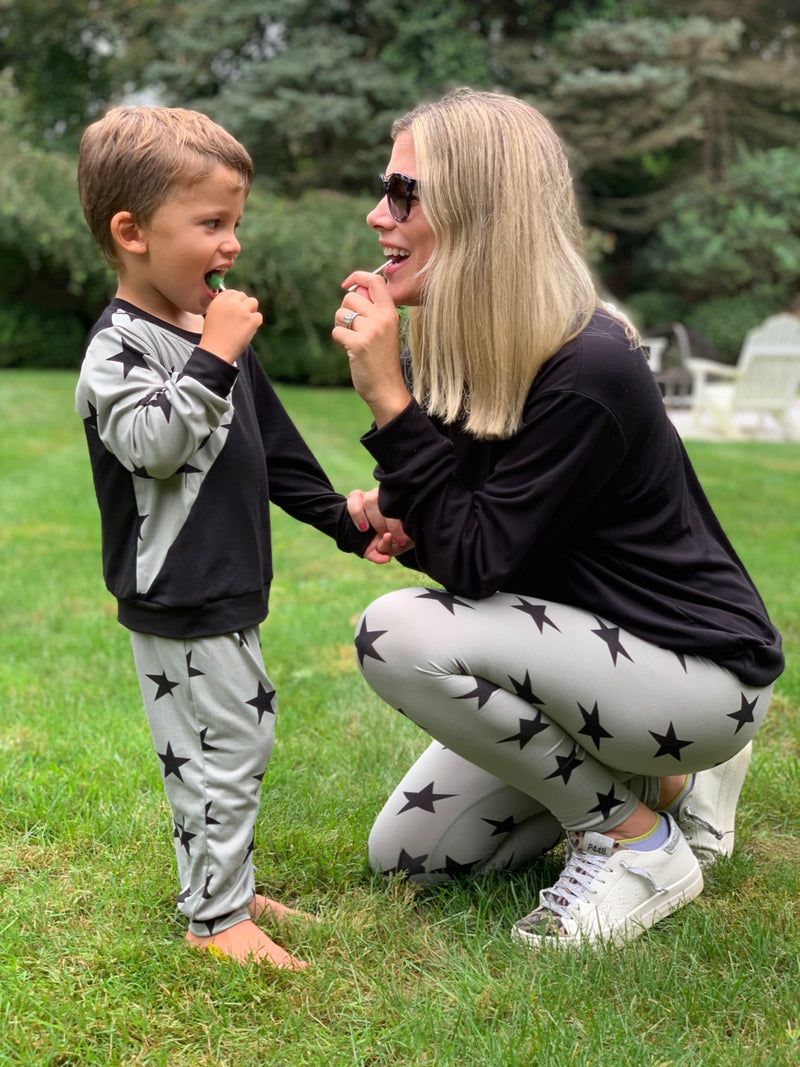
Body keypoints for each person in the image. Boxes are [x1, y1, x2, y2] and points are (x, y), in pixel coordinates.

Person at [333, 88, 784, 948]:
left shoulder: (590, 365)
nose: (376, 214)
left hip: (700, 671)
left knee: (393, 633)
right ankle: (679, 791)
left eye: (402, 193)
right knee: (411, 858)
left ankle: (635, 841)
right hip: (596, 661)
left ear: (478, 212)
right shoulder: (464, 352)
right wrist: (410, 512)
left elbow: (477, 561)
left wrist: (390, 406)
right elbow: (489, 544)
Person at [75, 106, 395, 968]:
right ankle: (216, 921)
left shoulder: (213, 332)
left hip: (227, 581)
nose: (231, 246)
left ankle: (222, 884)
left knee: (219, 743)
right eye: (211, 224)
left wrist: (341, 519)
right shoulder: (119, 350)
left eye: (236, 224)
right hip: (177, 590)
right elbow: (151, 445)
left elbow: (276, 454)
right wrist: (214, 355)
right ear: (132, 232)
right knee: (223, 746)